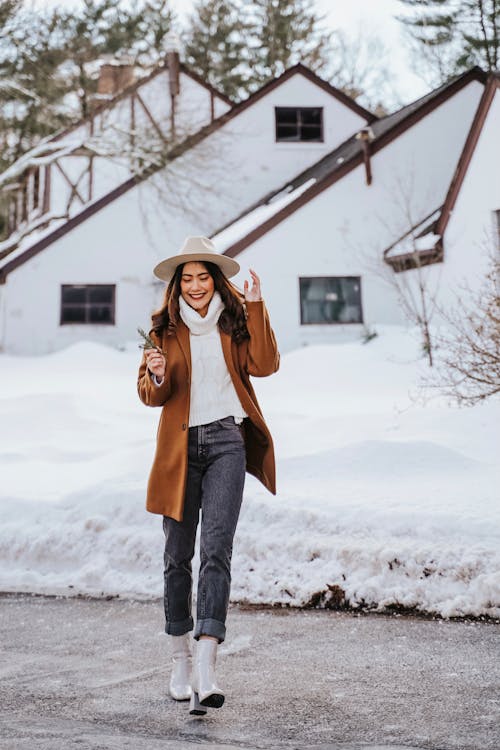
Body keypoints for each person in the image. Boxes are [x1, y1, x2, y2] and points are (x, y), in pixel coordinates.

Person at [137, 236, 279, 715]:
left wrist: (256, 306)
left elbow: (265, 364)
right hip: (180, 450)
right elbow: (150, 395)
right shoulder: (163, 329)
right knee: (178, 557)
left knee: (216, 552)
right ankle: (179, 660)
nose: (196, 287)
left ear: (215, 280)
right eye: (188, 279)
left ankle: (207, 665)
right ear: (177, 285)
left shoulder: (235, 322)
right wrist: (156, 374)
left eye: (203, 277)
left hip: (227, 444)